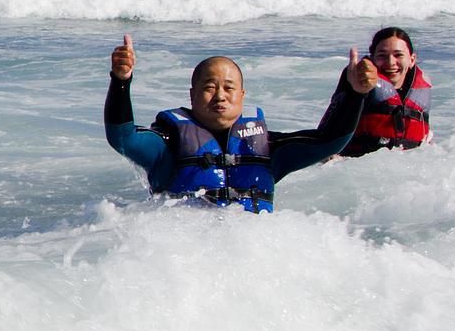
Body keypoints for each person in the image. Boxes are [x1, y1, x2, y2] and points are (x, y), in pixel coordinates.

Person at [104, 35, 376, 212]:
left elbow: (329, 142)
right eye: (210, 87)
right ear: (192, 95)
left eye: (229, 88)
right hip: (184, 262)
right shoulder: (168, 144)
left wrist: (354, 94)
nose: (220, 96)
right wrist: (121, 81)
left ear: (242, 96)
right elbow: (123, 138)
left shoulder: (268, 147)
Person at [325, 26, 432, 157]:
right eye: (382, 55)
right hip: (355, 164)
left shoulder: (422, 87)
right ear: (373, 58)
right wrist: (357, 92)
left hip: (408, 165)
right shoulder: (359, 80)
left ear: (412, 60)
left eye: (398, 55)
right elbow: (331, 130)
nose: (391, 62)